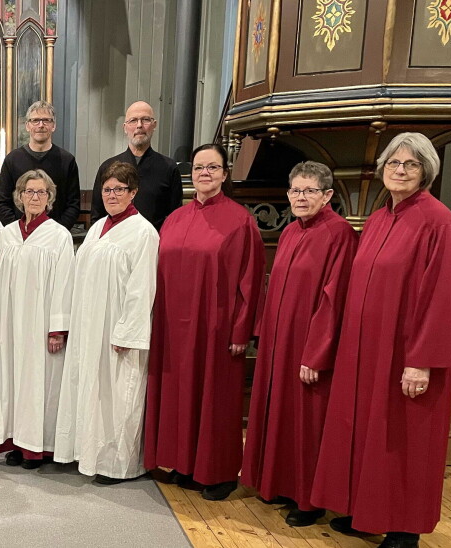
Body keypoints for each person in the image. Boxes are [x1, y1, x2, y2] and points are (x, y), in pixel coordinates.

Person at [311, 133, 451, 548]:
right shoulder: (380, 218)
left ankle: (404, 528)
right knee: (368, 433)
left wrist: (422, 361)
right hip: (365, 351)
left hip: (405, 354)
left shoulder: (438, 222)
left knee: (404, 440)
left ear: (426, 172)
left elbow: (443, 298)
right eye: (394, 163)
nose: (400, 170)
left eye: (411, 164)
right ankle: (368, 512)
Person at [144, 143, 265, 502]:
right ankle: (182, 462)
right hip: (172, 329)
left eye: (212, 167)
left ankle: (219, 473)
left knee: (215, 399)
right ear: (190, 175)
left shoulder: (241, 220)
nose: (205, 174)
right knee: (179, 395)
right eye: (198, 168)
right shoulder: (175, 219)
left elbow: (251, 281)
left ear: (225, 174)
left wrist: (242, 330)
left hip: (216, 329)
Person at [239, 161, 357, 527]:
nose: (300, 197)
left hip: (307, 347)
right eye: (295, 190)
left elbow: (334, 300)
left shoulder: (340, 235)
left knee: (306, 423)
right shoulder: (290, 232)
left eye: (309, 191)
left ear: (328, 195)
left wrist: (316, 353)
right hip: (279, 343)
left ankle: (309, 500)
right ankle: (279, 485)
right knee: (280, 415)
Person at [53, 161, 158, 484]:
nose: (112, 195)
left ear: (134, 192)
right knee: (88, 389)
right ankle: (87, 453)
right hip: (89, 324)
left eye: (119, 189)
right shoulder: (98, 227)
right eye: (107, 189)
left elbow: (143, 288)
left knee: (116, 395)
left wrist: (127, 332)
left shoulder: (144, 233)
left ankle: (116, 463)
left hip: (117, 329)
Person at [0, 169, 74, 469]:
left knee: (38, 381)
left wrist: (57, 327)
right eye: (29, 192)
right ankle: (16, 442)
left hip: (40, 325)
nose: (34, 197)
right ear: (19, 196)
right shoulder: (6, 236)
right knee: (10, 381)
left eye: (41, 192)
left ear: (49, 198)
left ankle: (38, 447)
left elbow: (65, 282)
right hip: (9, 324)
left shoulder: (59, 236)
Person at [90, 101, 182, 230]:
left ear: (154, 125)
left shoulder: (168, 167)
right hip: (114, 243)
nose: (139, 125)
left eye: (145, 120)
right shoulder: (108, 167)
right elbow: (97, 215)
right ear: (125, 127)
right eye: (133, 120)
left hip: (154, 244)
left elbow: (175, 217)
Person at [0, 101, 81, 230]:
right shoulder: (12, 160)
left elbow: (73, 204)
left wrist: (57, 232)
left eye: (46, 120)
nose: (41, 125)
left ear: (53, 126)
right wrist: (18, 230)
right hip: (20, 235)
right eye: (35, 120)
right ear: (27, 126)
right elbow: (3, 203)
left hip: (54, 236)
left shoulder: (67, 160)